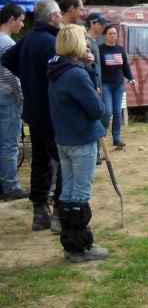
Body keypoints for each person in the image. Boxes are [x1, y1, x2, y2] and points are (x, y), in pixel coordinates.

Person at [48, 24, 108, 263]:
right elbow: (97, 108)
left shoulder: (57, 69)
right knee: (80, 195)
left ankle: (70, 244)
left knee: (68, 193)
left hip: (64, 139)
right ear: (77, 45)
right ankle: (80, 247)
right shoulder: (75, 73)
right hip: (80, 140)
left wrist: (89, 67)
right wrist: (90, 72)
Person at [1, 0, 63, 232]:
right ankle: (58, 212)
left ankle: (40, 212)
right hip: (50, 113)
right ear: (52, 17)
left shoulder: (28, 39)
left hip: (33, 113)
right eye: (59, 14)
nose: (61, 18)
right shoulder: (51, 42)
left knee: (40, 162)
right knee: (64, 162)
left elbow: (7, 59)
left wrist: (27, 77)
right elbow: (61, 75)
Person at [0, 3, 30, 200]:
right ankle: (10, 186)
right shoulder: (8, 43)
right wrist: (21, 94)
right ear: (11, 19)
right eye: (20, 21)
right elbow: (9, 73)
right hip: (8, 97)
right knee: (9, 144)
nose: (21, 25)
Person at [99, 25, 137, 146]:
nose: (113, 36)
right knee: (107, 112)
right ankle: (100, 136)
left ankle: (116, 138)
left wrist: (131, 78)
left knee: (117, 112)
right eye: (110, 33)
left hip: (118, 85)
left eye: (115, 33)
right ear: (105, 35)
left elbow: (125, 66)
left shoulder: (120, 49)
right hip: (105, 84)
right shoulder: (100, 49)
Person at [85, 12, 109, 165]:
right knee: (96, 119)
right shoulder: (86, 43)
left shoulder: (94, 42)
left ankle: (96, 152)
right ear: (92, 24)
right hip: (93, 89)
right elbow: (86, 68)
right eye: (100, 24)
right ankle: (94, 153)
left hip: (98, 87)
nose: (103, 27)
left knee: (102, 117)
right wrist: (93, 87)